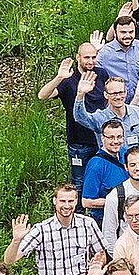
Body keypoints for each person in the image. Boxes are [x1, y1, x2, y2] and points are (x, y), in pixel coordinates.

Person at [40, 45, 108, 186]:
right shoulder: (68, 80)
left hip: (101, 139)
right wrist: (59, 78)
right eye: (86, 57)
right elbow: (42, 95)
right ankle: (78, 209)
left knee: (102, 180)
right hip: (79, 142)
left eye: (93, 57)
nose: (90, 61)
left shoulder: (101, 74)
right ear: (78, 57)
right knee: (79, 182)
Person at [74, 71, 139, 174]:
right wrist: (80, 94)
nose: (118, 97)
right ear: (106, 95)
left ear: (125, 92)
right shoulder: (100, 117)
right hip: (112, 169)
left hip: (137, 171)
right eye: (113, 93)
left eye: (121, 92)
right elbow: (80, 117)